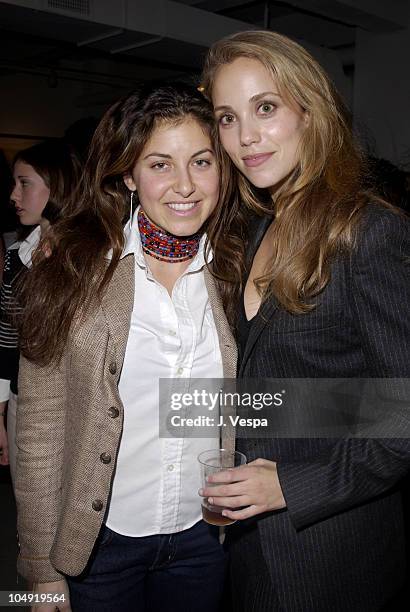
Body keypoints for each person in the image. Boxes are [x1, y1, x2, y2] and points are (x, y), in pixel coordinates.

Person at [199, 30, 410, 612]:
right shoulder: (261, 225)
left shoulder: (367, 231)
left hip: (331, 552)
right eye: (226, 118)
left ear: (309, 111)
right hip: (249, 544)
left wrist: (289, 486)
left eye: (265, 108)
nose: (245, 137)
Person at [15, 83, 236, 612]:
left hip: (203, 540)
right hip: (98, 546)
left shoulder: (237, 268)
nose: (185, 185)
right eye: (160, 164)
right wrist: (39, 573)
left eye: (201, 161)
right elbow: (40, 429)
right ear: (128, 175)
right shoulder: (71, 268)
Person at [0, 141, 81, 480]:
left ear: (57, 184)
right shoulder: (15, 256)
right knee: (33, 521)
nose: (13, 196)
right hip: (25, 404)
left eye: (24, 183)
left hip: (79, 408)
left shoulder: (93, 258)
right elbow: (7, 341)